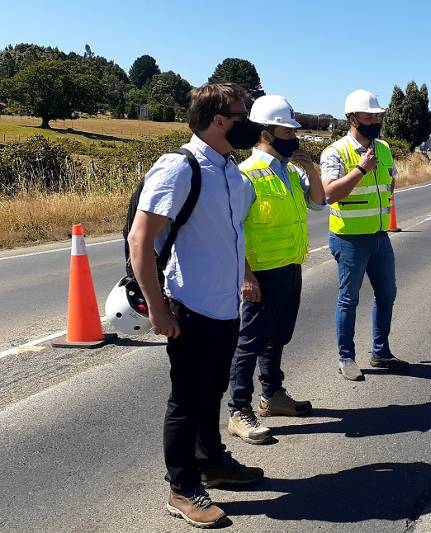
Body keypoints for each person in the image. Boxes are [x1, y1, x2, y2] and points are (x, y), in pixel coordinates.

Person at [127, 83, 264, 528]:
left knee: (212, 392)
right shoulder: (180, 168)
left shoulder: (230, 170)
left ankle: (210, 462)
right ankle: (181, 487)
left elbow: (231, 233)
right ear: (220, 119)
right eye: (243, 115)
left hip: (226, 306)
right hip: (190, 305)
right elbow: (140, 241)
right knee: (186, 400)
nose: (250, 124)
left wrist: (245, 275)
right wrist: (158, 308)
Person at [227, 95, 325, 445]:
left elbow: (318, 202)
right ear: (266, 133)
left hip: (289, 266)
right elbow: (232, 230)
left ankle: (273, 396)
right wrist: (245, 274)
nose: (293, 136)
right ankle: (239, 409)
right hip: (260, 273)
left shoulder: (289, 171)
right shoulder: (246, 175)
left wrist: (310, 168)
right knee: (249, 343)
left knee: (278, 337)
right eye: (287, 130)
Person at [320, 89, 408, 381]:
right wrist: (360, 168)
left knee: (387, 295)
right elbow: (330, 194)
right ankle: (346, 358)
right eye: (368, 116)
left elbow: (390, 183)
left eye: (377, 116)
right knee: (349, 299)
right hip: (349, 239)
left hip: (379, 236)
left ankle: (381, 352)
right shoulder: (335, 152)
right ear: (352, 118)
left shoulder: (383, 148)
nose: (374, 120)